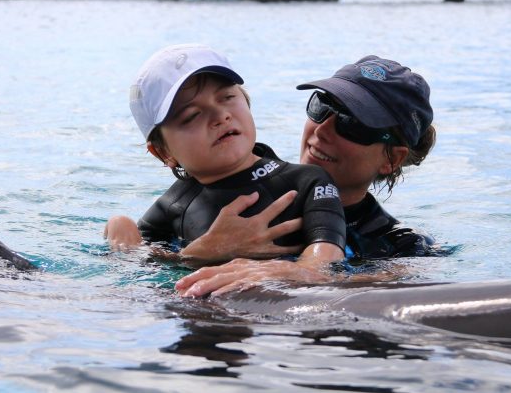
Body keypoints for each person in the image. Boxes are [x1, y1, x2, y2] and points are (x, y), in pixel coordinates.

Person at [174, 55, 437, 297]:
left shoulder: (402, 246)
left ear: (392, 159)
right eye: (322, 106)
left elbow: (404, 282)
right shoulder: (237, 186)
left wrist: (306, 274)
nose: (322, 130)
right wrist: (199, 253)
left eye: (351, 123)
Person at [105, 43, 349, 272]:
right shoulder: (174, 205)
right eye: (192, 115)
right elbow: (140, 269)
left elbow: (326, 256)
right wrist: (123, 230)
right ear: (163, 152)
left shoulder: (307, 182)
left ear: (247, 102)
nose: (220, 116)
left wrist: (283, 275)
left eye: (227, 98)